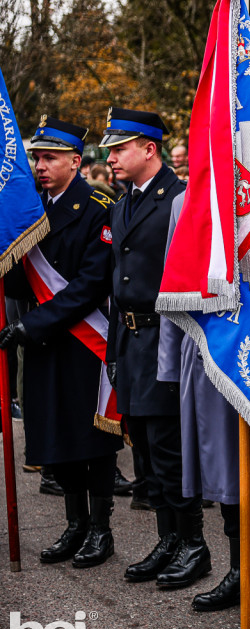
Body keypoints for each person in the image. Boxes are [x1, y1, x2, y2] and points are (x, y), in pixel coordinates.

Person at [154, 195, 250, 620]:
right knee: (227, 476)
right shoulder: (187, 199)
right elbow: (174, 284)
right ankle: (241, 570)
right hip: (209, 350)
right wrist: (168, 367)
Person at [0, 116, 123, 568]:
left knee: (91, 437)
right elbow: (20, 283)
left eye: (50, 158)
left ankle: (101, 528)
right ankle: (74, 524)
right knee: (55, 433)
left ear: (76, 160)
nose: (41, 166)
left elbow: (91, 283)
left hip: (82, 339)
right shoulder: (28, 209)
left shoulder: (97, 205)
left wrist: (33, 326)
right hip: (44, 339)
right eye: (36, 158)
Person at [100, 107, 211, 589]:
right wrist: (113, 348)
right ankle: (168, 539)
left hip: (166, 335)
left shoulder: (179, 199)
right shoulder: (123, 202)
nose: (112, 158)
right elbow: (115, 281)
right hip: (130, 338)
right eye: (109, 150)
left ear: (150, 148)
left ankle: (193, 543)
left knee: (169, 448)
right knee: (144, 449)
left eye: (120, 149)